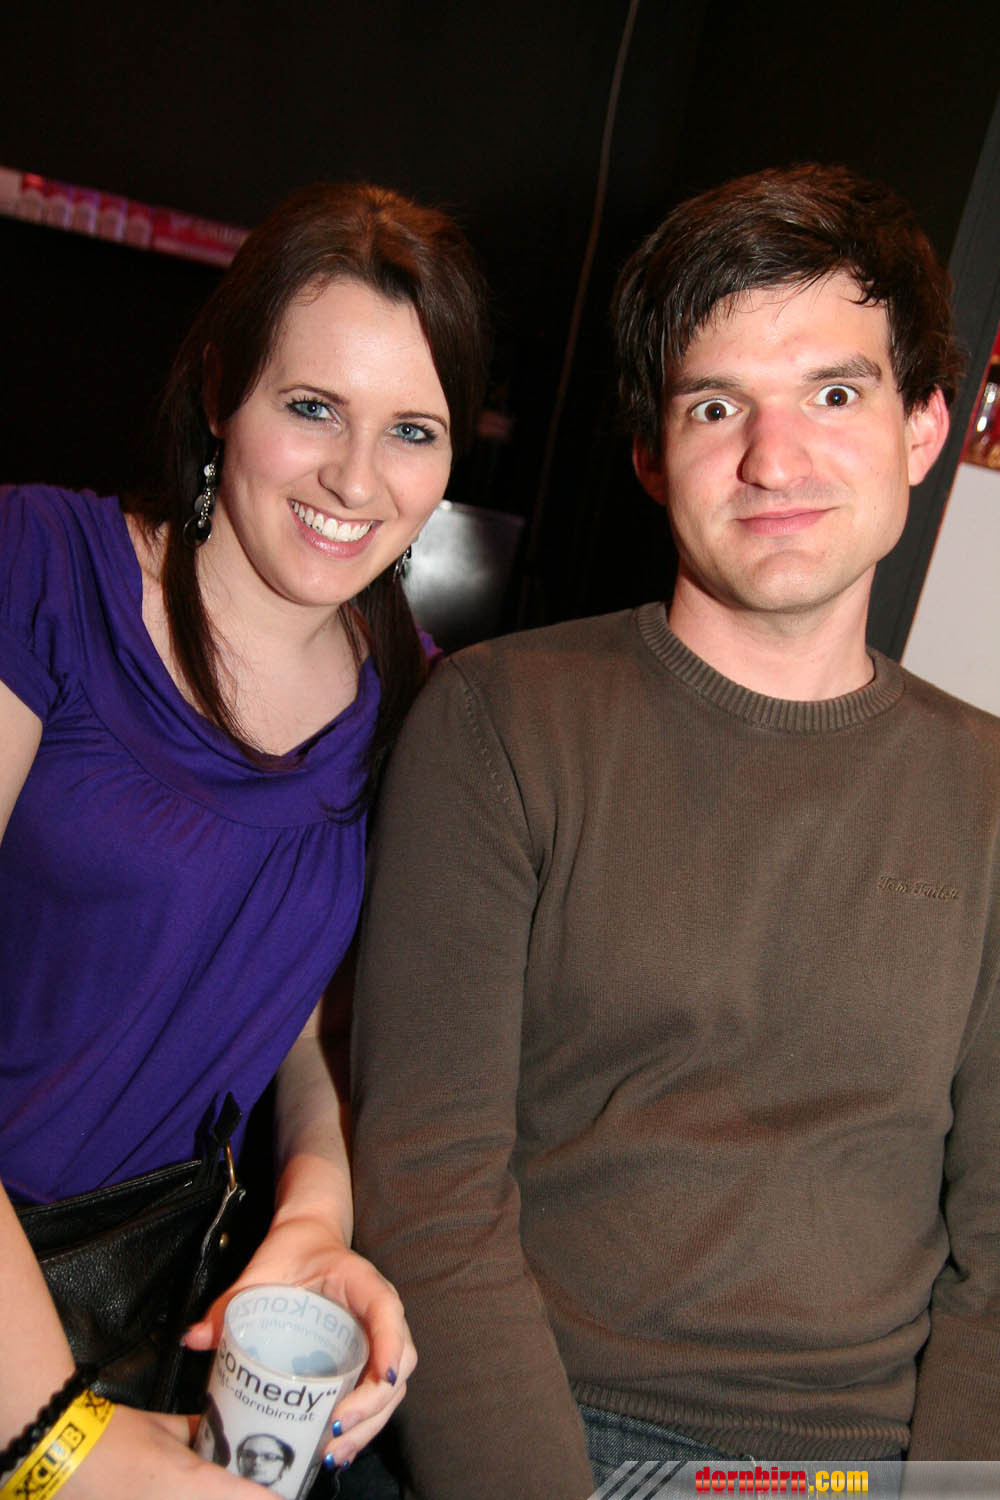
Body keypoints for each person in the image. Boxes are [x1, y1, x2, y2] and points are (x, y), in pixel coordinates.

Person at [350, 163, 1000, 1500]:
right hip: (558, 1431)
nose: (775, 459)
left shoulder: (987, 788)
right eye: (717, 405)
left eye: (835, 394)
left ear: (924, 428)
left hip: (873, 1465)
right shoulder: (498, 721)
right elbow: (429, 1188)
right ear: (653, 453)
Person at [0, 180, 489, 1498]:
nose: (355, 479)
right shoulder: (39, 567)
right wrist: (53, 1446)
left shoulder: (419, 703)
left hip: (143, 1317)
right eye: (313, 406)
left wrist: (315, 1220)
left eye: (412, 431)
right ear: (222, 386)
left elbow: (313, 1014)